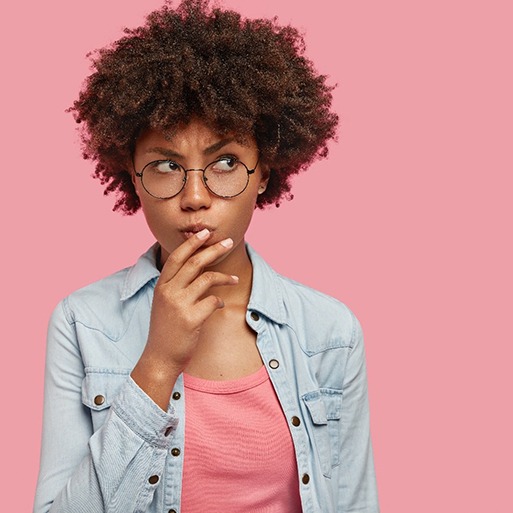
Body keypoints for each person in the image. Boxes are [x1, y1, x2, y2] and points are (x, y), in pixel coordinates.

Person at [34, 1, 379, 511]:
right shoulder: (82, 323)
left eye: (225, 162)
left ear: (264, 172)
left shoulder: (330, 334)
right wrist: (156, 364)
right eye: (166, 165)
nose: (195, 196)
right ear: (132, 176)